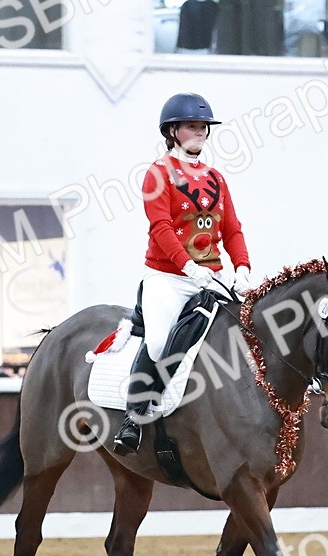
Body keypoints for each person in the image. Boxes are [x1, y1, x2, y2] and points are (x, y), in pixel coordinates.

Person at [112, 92, 253, 455]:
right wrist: (188, 266)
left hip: (213, 277)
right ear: (173, 131)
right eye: (193, 126)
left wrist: (241, 268)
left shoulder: (217, 178)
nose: (201, 132)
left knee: (248, 336)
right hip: (168, 278)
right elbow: (159, 227)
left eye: (204, 127)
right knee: (159, 342)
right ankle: (135, 415)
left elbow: (233, 229)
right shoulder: (157, 174)